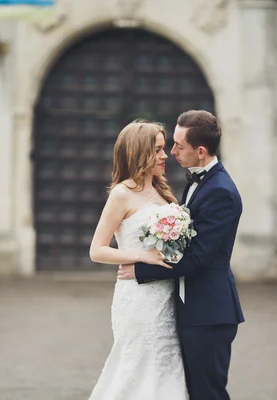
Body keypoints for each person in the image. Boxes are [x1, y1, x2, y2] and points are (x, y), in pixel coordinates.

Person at [118, 110, 245, 400]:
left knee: (208, 393)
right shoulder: (198, 182)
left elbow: (198, 258)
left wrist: (141, 271)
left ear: (201, 152)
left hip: (210, 314)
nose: (172, 152)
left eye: (178, 146)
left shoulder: (221, 192)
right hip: (192, 309)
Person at [88, 120, 188, 399]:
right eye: (157, 150)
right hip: (137, 299)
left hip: (166, 298)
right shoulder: (122, 194)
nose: (164, 155)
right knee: (136, 366)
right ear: (138, 152)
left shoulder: (162, 192)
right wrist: (141, 256)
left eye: (164, 148)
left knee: (165, 365)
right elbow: (97, 250)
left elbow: (170, 250)